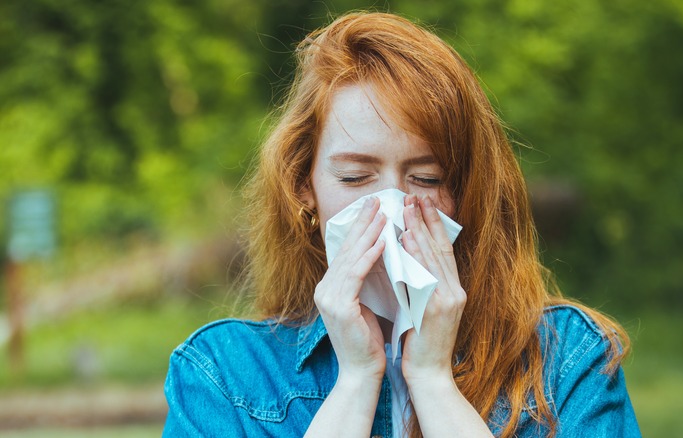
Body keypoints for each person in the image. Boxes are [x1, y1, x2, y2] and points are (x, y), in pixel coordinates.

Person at [163, 11, 640, 438]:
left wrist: (433, 380)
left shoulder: (567, 360)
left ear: (464, 191)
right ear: (304, 186)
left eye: (426, 177)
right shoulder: (223, 373)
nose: (391, 207)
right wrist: (355, 380)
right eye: (355, 177)